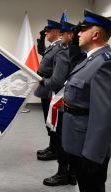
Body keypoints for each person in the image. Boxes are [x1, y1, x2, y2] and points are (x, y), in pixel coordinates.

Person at [62, 9, 111, 192]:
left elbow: (106, 115)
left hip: (89, 147)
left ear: (96, 34)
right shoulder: (90, 59)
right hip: (78, 139)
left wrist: (93, 153)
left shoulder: (105, 63)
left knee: (92, 188)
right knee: (85, 185)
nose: (78, 33)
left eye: (83, 29)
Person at [42, 21, 77, 187]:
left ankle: (63, 173)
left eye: (63, 34)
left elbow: (56, 80)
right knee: (71, 139)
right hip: (75, 101)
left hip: (63, 101)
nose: (61, 37)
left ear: (69, 35)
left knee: (64, 139)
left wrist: (44, 82)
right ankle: (72, 174)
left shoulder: (64, 53)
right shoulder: (80, 53)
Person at [34, 19, 64, 161]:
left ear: (57, 32)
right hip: (45, 88)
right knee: (49, 121)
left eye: (48, 30)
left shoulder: (59, 48)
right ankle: (52, 146)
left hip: (51, 89)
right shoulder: (53, 46)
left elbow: (57, 72)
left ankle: (55, 149)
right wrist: (41, 38)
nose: (46, 33)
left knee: (52, 121)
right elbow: (42, 51)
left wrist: (45, 81)